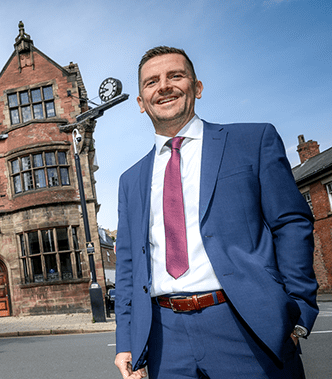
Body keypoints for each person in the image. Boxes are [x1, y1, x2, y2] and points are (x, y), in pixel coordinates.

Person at [113, 46, 318, 379]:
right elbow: (127, 265)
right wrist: (127, 340)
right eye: (151, 82)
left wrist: (296, 308)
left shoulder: (253, 140)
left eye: (175, 76)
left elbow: (291, 222)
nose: (163, 86)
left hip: (246, 325)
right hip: (165, 337)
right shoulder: (130, 180)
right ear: (140, 102)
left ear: (197, 87)